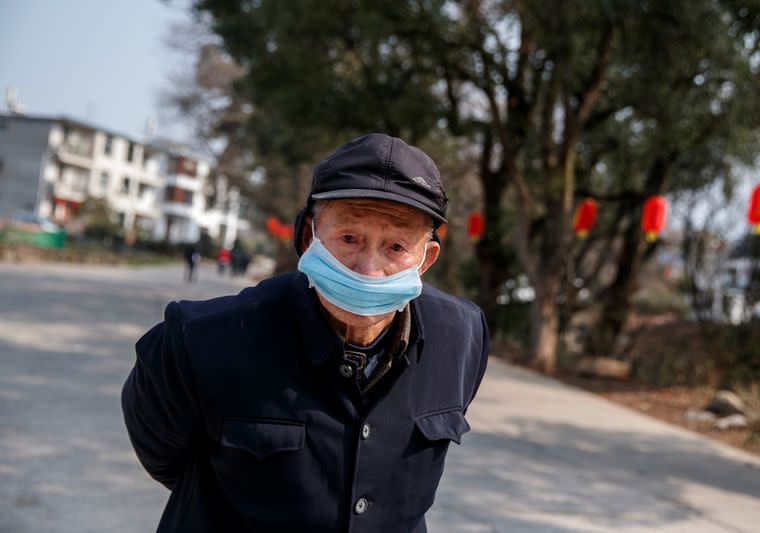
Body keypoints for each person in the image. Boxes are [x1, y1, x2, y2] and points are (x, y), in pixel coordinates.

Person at [121, 133, 490, 533]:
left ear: (426, 258)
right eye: (349, 238)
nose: (367, 270)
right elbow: (163, 452)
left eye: (396, 246)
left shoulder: (461, 337)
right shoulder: (203, 339)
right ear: (308, 236)